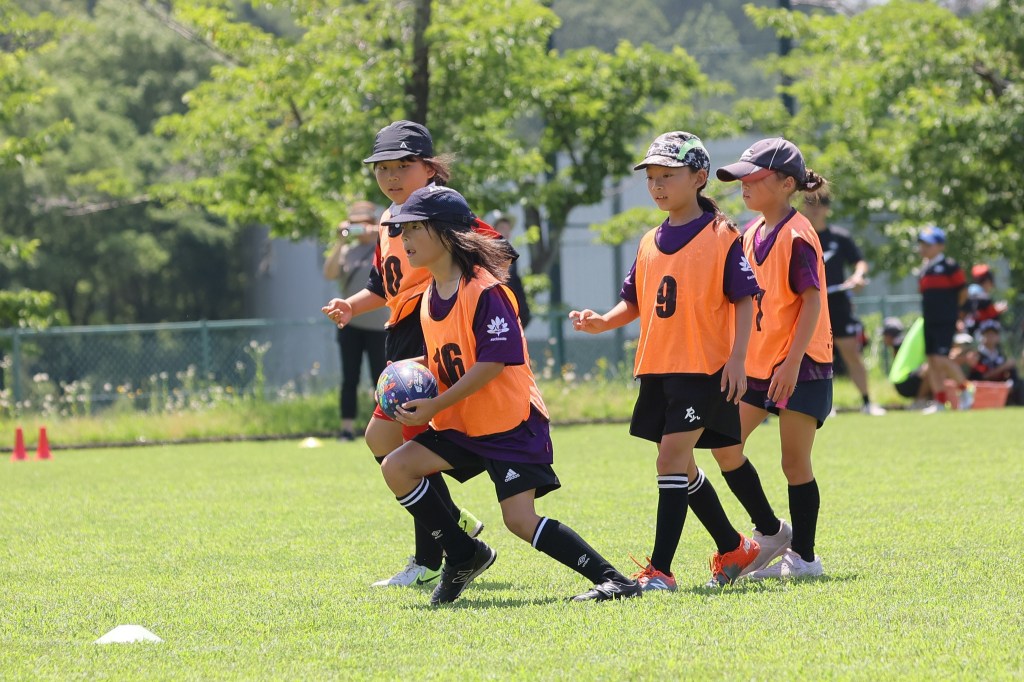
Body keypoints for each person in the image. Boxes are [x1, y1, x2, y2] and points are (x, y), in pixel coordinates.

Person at [378, 185, 642, 605]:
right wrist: (403, 374)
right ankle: (464, 554)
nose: (403, 238)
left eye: (413, 228)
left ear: (446, 232)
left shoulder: (485, 291)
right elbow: (446, 357)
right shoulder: (429, 295)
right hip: (463, 423)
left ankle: (615, 581)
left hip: (509, 423)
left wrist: (436, 405)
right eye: (401, 230)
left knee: (519, 520)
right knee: (397, 467)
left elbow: (493, 363)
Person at [569, 131, 762, 590]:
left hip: (704, 368)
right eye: (652, 177)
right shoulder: (648, 241)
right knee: (679, 464)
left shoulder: (721, 235)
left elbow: (744, 299)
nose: (657, 185)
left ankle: (660, 571)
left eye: (667, 176)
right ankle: (734, 546)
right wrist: (603, 321)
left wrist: (738, 359)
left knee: (671, 458)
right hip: (659, 368)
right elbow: (635, 301)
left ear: (698, 177)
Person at [321, 120, 487, 588]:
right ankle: (449, 523)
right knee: (383, 440)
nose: (391, 176)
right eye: (383, 168)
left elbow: (494, 251)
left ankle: (433, 556)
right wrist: (351, 306)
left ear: (430, 168)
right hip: (399, 335)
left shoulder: (442, 212)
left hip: (426, 332)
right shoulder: (388, 220)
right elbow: (383, 283)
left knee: (401, 444)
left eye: (403, 166)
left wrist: (459, 304)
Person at [710, 137, 834, 580]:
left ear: (786, 184)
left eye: (754, 177)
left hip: (802, 365)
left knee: (794, 463)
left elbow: (812, 302)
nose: (743, 184)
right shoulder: (750, 234)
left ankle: (804, 558)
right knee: (724, 446)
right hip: (759, 366)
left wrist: (793, 363)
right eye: (741, 178)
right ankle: (770, 531)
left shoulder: (798, 234)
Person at [802, 189, 885, 415]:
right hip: (809, 303)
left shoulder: (839, 237)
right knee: (813, 356)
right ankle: (823, 406)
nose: (816, 208)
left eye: (821, 203)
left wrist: (857, 276)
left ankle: (867, 402)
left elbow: (859, 262)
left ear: (828, 208)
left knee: (850, 352)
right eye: (811, 203)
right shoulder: (799, 236)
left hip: (837, 302)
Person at [322, 200, 388, 441]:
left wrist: (378, 231)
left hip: (380, 327)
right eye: (355, 224)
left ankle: (382, 428)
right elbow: (329, 273)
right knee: (349, 378)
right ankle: (347, 428)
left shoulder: (384, 246)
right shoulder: (347, 252)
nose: (360, 228)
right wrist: (340, 240)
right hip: (350, 325)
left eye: (364, 223)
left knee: (381, 379)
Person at [916, 226, 970, 413]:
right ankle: (940, 402)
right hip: (929, 320)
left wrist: (956, 313)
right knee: (932, 361)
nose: (924, 248)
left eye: (928, 245)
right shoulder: (923, 269)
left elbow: (963, 292)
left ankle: (966, 390)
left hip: (945, 320)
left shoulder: (950, 266)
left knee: (941, 359)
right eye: (922, 244)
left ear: (940, 246)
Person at [491, 213, 532, 329]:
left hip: (511, 309)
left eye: (507, 229)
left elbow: (514, 282)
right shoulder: (486, 253)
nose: (506, 232)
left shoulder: (510, 254)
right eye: (502, 228)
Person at [881, 317, 932, 407]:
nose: (883, 338)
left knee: (931, 368)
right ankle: (921, 401)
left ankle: (921, 401)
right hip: (906, 379)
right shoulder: (906, 339)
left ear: (889, 335)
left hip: (904, 380)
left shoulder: (897, 344)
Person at [970, 319, 1020, 405]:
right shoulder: (976, 355)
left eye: (994, 334)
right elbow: (983, 377)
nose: (991, 337)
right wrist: (1004, 367)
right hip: (981, 392)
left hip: (1000, 391)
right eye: (988, 334)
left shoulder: (1001, 355)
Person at [962, 264, 1007, 336]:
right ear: (987, 281)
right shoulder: (980, 295)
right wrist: (996, 310)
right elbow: (978, 314)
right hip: (974, 332)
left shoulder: (971, 290)